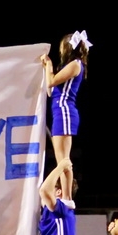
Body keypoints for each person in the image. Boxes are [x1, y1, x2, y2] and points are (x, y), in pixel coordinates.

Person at [40, 30, 90, 164]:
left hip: (64, 111)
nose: (61, 51)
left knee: (64, 161)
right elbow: (50, 90)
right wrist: (46, 69)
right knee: (61, 161)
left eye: (62, 48)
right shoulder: (68, 66)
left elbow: (51, 81)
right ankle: (65, 186)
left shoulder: (75, 64)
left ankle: (68, 186)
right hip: (58, 111)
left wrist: (49, 65)